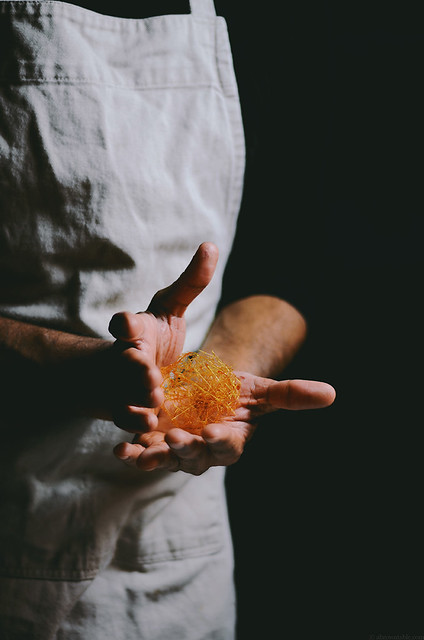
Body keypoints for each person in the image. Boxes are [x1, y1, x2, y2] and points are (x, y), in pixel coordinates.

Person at [0, 1, 335, 638]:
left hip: (176, 549)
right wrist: (73, 370)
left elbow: (290, 265)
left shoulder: (270, 19)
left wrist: (216, 382)